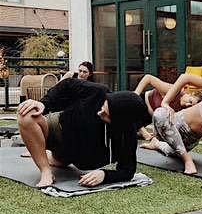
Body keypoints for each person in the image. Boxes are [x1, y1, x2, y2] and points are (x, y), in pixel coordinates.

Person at [17, 78, 151, 188]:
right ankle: (46, 170)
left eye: (106, 115)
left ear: (120, 121)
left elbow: (127, 171)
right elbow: (67, 84)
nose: (100, 112)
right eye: (103, 107)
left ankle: (49, 155)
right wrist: (44, 104)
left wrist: (104, 175)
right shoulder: (98, 92)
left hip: (74, 156)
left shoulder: (127, 134)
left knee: (57, 159)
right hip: (60, 131)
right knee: (27, 116)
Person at [133, 73, 202, 141]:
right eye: (190, 101)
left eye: (190, 106)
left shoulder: (184, 110)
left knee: (126, 130)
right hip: (142, 102)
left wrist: (199, 135)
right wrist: (135, 95)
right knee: (131, 113)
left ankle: (139, 132)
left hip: (147, 117)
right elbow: (148, 78)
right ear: (191, 94)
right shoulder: (174, 91)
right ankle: (143, 132)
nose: (187, 105)